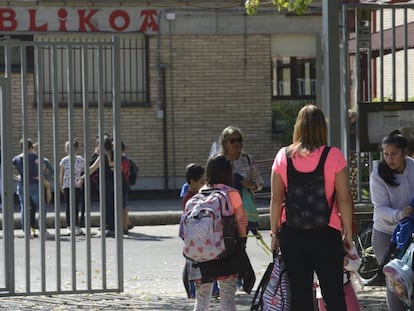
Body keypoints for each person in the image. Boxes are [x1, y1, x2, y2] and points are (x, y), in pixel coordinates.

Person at [269, 104, 353, 311]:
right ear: (321, 129)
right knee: (333, 292)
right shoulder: (333, 156)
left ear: (298, 127)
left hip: (293, 234)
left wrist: (274, 233)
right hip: (327, 233)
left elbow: (276, 198)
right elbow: (344, 198)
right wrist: (348, 233)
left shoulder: (283, 156)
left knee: (300, 295)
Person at [185, 155, 248, 311]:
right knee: (227, 301)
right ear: (228, 172)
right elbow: (241, 220)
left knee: (201, 303)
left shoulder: (200, 194)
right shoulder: (231, 193)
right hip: (225, 253)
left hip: (200, 254)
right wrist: (242, 239)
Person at [369, 130, 414, 311]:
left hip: (410, 231)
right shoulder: (377, 175)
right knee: (395, 280)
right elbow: (379, 208)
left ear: (405, 152)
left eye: (394, 154)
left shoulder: (413, 167)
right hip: (386, 233)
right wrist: (400, 214)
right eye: (386, 154)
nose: (389, 159)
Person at [180, 163, 221, 299]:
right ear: (192, 182)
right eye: (202, 182)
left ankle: (212, 289)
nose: (204, 185)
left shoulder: (195, 195)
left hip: (200, 236)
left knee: (203, 263)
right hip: (193, 236)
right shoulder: (190, 198)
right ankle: (192, 291)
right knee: (193, 264)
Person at [12, 138, 54, 239]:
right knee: (41, 207)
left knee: (24, 208)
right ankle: (42, 231)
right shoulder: (35, 157)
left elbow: (6, 169)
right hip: (35, 185)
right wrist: (43, 176)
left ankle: (27, 232)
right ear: (31, 147)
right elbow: (49, 167)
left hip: (21, 185)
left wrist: (15, 177)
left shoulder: (16, 159)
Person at [84, 133, 115, 237]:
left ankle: (110, 227)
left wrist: (108, 155)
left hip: (110, 182)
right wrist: (82, 176)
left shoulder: (110, 155)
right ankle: (107, 225)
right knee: (106, 204)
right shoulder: (101, 155)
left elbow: (112, 166)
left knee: (109, 204)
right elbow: (92, 167)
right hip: (106, 182)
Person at [316, 243, 362, 311]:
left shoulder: (347, 245)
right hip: (323, 290)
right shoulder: (316, 247)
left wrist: (346, 262)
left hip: (346, 288)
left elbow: (356, 264)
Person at [59, 139, 85, 236]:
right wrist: (61, 184)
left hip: (77, 185)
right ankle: (69, 226)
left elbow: (85, 170)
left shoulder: (80, 159)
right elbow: (61, 173)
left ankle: (76, 225)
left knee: (76, 205)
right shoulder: (64, 160)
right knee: (69, 205)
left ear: (76, 148)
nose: (69, 150)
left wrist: (82, 179)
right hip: (67, 185)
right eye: (67, 148)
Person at [121, 141, 134, 235]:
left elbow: (124, 171)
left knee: (123, 206)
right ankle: (127, 223)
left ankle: (125, 227)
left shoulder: (124, 159)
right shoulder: (123, 159)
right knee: (123, 206)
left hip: (123, 185)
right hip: (124, 184)